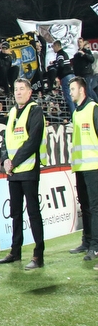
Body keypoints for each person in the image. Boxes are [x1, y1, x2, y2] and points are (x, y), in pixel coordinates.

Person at [0, 78, 47, 269]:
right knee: (15, 213)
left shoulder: (35, 110)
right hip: (13, 172)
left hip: (28, 170)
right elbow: (5, 140)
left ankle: (38, 256)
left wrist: (14, 162)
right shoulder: (12, 112)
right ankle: (15, 251)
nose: (18, 92)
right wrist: (4, 160)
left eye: (21, 89)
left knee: (33, 213)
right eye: (16, 89)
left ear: (29, 92)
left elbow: (33, 142)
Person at [68, 77, 98, 266]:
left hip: (94, 166)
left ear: (82, 90)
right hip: (80, 166)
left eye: (72, 89)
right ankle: (87, 241)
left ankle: (95, 245)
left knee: (95, 208)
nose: (70, 92)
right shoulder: (77, 112)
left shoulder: (93, 108)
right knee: (85, 207)